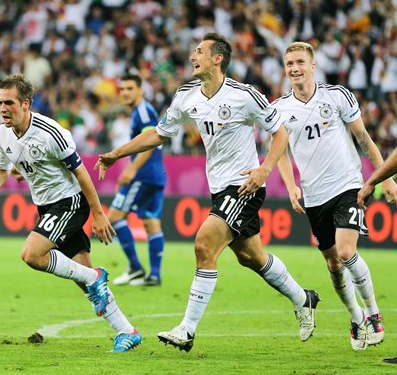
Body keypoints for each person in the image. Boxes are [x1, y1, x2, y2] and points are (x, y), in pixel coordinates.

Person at [96, 32, 318, 352]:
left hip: (244, 185)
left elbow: (280, 134)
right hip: (219, 188)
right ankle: (303, 297)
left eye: (199, 52)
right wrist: (116, 153)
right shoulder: (187, 96)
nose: (192, 57)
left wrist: (264, 170)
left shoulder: (245, 96)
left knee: (204, 244)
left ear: (217, 59)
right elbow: (159, 134)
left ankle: (186, 330)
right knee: (251, 257)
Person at [0, 73, 142, 353]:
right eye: (0, 103)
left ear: (26, 104)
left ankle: (95, 276)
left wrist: (99, 213)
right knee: (85, 282)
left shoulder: (51, 132)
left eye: (9, 103)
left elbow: (81, 173)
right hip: (45, 205)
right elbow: (1, 165)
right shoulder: (1, 132)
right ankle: (127, 331)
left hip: (69, 202)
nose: (3, 109)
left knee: (32, 255)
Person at [276, 41, 397, 351]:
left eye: (300, 61)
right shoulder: (279, 109)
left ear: (313, 66)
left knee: (345, 252)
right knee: (333, 264)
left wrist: (387, 180)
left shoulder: (338, 95)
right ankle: (355, 317)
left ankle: (372, 313)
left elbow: (364, 139)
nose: (295, 68)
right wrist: (291, 186)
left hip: (347, 185)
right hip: (314, 197)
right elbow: (278, 153)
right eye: (290, 63)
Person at [109, 73, 166, 287]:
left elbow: (150, 141)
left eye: (129, 88)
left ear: (140, 90)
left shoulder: (143, 112)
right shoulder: (142, 111)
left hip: (143, 174)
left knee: (115, 215)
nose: (124, 93)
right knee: (151, 222)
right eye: (122, 89)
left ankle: (134, 267)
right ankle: (154, 275)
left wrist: (131, 169)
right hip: (155, 174)